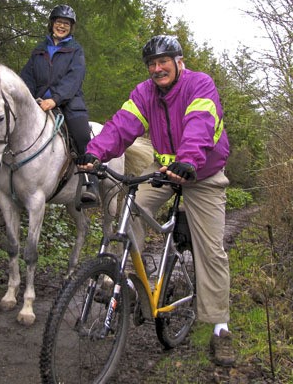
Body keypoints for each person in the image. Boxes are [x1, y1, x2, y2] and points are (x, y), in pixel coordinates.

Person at [77, 35, 235, 366]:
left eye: (164, 61)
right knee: (126, 209)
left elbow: (200, 125)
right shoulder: (145, 92)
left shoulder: (199, 85)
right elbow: (122, 126)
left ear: (179, 62)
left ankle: (220, 327)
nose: (157, 68)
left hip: (201, 173)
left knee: (210, 250)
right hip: (163, 169)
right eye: (152, 63)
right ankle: (136, 286)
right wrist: (95, 151)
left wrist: (189, 160)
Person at [20, 4, 98, 207]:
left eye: (66, 24)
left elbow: (74, 78)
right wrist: (28, 97)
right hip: (37, 102)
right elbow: (27, 76)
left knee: (82, 134)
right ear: (52, 24)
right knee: (11, 127)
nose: (61, 26)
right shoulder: (39, 49)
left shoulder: (75, 50)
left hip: (68, 102)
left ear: (70, 28)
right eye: (58, 22)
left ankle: (90, 184)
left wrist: (55, 99)